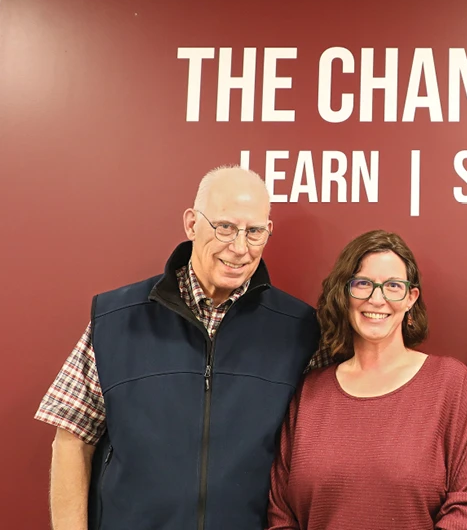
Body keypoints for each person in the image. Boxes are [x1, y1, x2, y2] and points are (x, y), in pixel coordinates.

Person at [34, 166, 331, 530]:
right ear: (192, 224)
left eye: (254, 232)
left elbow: (320, 454)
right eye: (225, 227)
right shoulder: (116, 319)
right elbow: (71, 438)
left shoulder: (299, 330)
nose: (239, 248)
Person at [266, 230, 467, 530]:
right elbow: (281, 514)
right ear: (344, 293)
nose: (377, 298)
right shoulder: (310, 390)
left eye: (393, 286)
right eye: (363, 284)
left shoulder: (449, 383)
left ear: (411, 298)